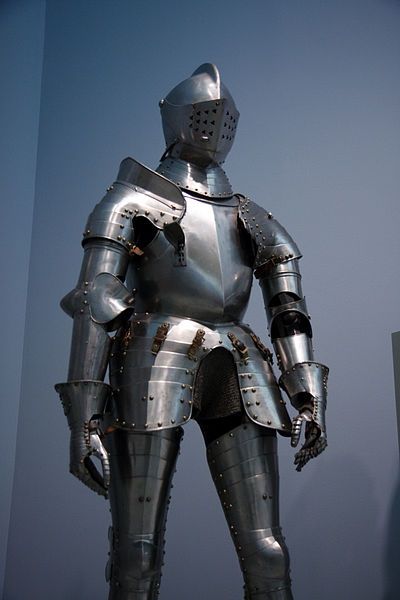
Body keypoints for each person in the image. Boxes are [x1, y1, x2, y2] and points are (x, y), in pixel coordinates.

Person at [56, 63, 328, 600]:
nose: (217, 123)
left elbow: (288, 309)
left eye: (224, 116)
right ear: (176, 117)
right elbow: (96, 300)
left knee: (268, 551)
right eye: (206, 113)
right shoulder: (130, 201)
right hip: (152, 359)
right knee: (136, 553)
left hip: (242, 364)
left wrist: (308, 393)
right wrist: (84, 420)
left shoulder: (253, 217)